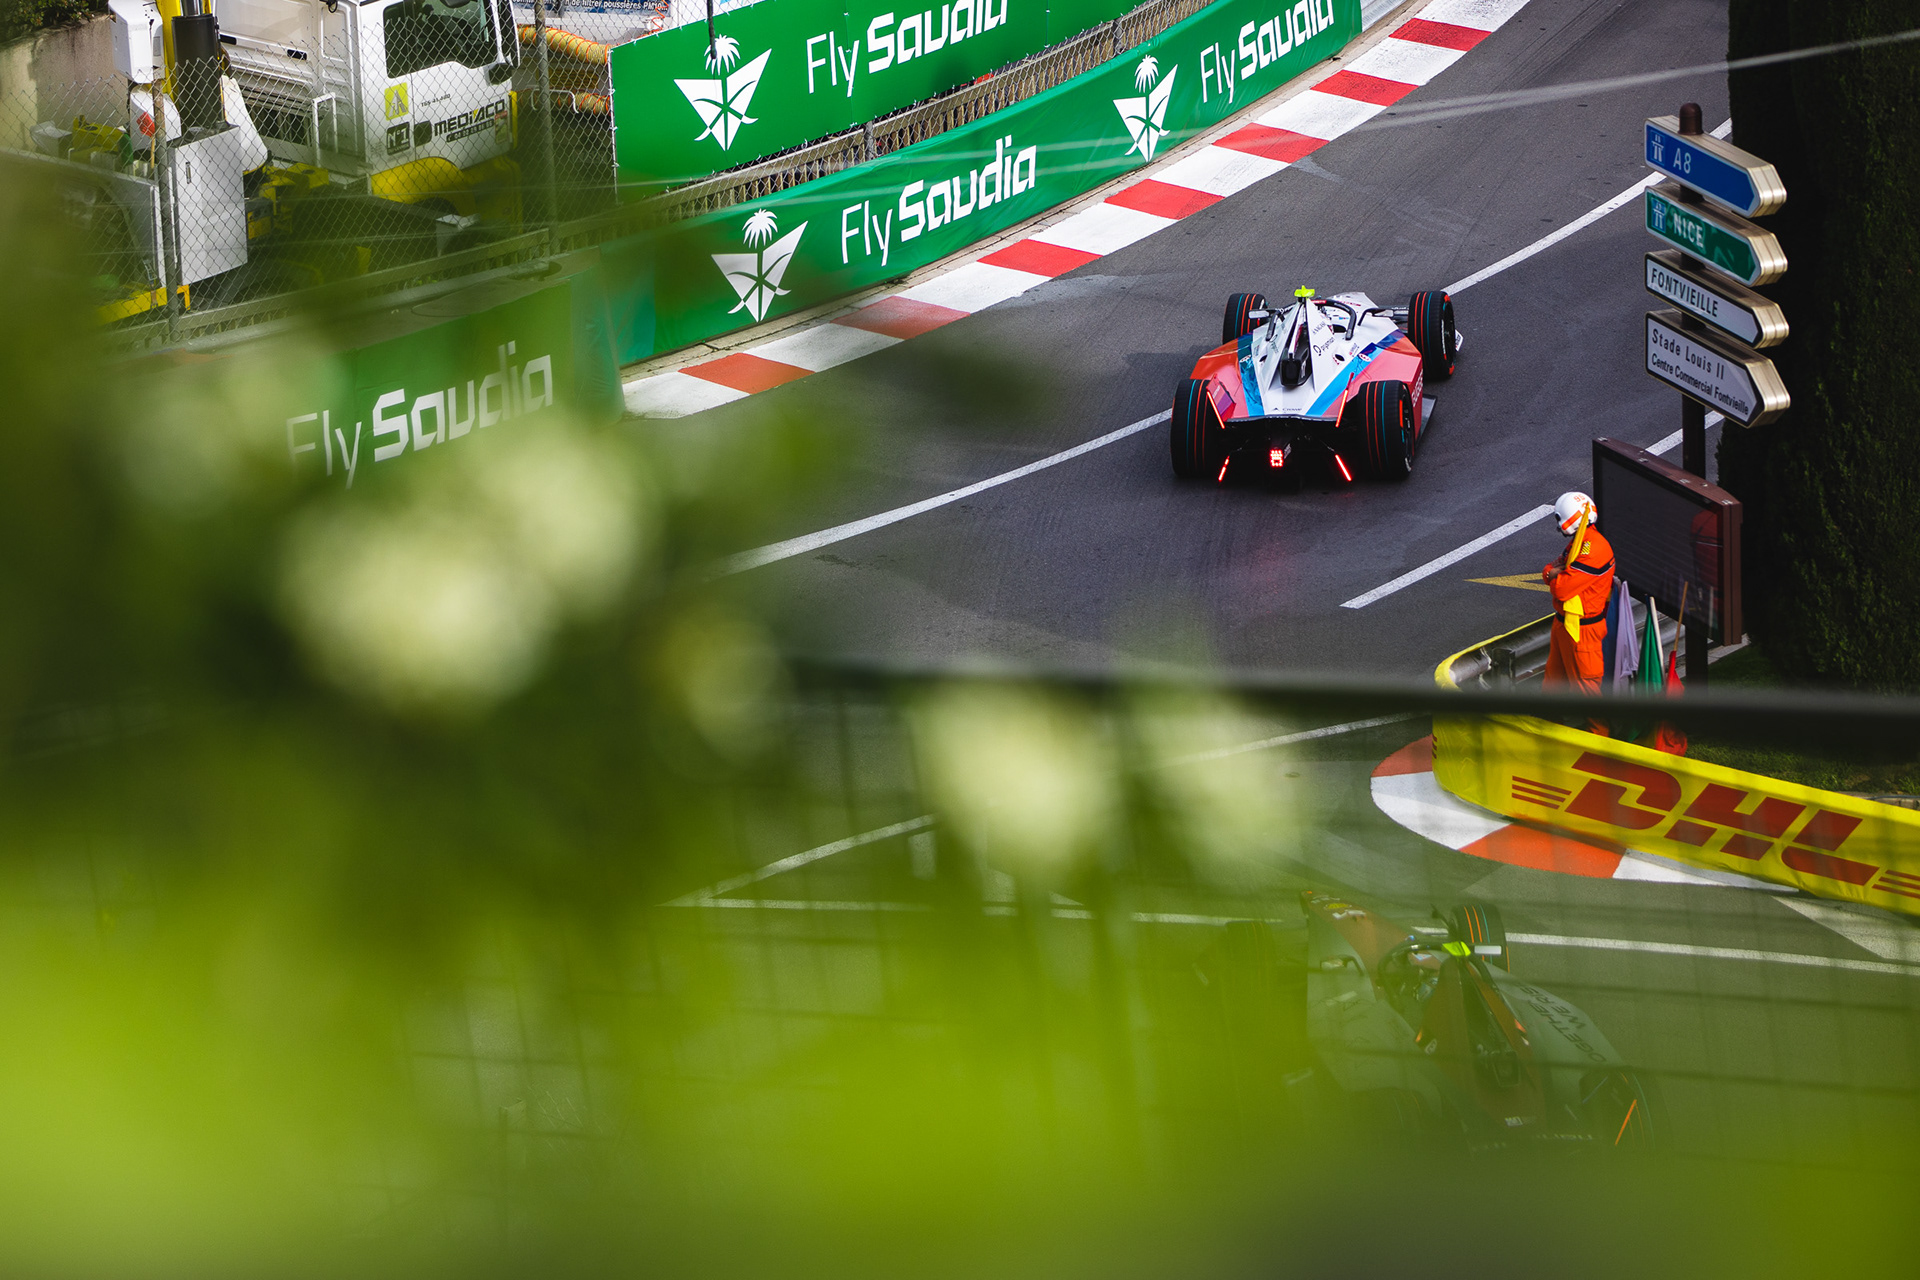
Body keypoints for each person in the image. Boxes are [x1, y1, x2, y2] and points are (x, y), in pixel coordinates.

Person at [1542, 491, 1615, 704]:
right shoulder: (1581, 541)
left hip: (1583, 630)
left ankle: (1598, 727)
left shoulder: (1592, 549)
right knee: (1553, 686)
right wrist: (1552, 573)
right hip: (1565, 624)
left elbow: (1561, 589)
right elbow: (1549, 570)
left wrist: (1552, 574)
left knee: (1587, 693)